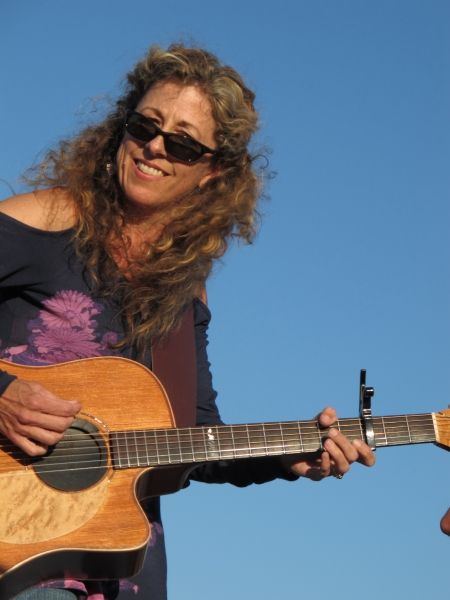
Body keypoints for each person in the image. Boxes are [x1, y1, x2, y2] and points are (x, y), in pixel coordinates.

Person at [0, 44, 375, 600]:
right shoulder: (48, 221)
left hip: (123, 568)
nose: (155, 146)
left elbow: (192, 439)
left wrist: (287, 455)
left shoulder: (184, 289)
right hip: (21, 556)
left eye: (182, 143)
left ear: (211, 172)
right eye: (144, 126)